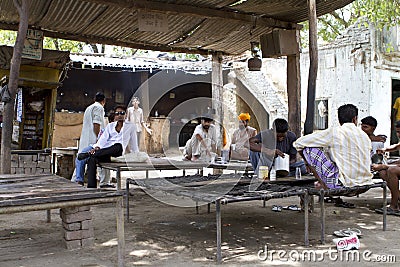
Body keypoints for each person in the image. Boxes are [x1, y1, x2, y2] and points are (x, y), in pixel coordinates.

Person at [294, 104, 373, 190]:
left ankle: (323, 184)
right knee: (333, 152)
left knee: (308, 149)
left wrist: (307, 162)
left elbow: (298, 143)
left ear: (339, 120)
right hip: (365, 182)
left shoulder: (335, 132)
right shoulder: (364, 136)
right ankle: (323, 183)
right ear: (355, 119)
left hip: (343, 183)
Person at [78, 105, 139, 188]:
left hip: (118, 151)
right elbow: (103, 139)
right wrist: (97, 147)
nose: (119, 115)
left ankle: (89, 154)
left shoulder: (131, 126)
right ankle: (91, 187)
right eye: (117, 114)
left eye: (122, 113)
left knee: (118, 145)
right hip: (105, 152)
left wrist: (136, 155)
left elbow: (134, 144)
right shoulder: (110, 126)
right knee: (92, 160)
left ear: (126, 114)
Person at [74, 92, 106, 186]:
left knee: (81, 159)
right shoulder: (99, 107)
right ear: (104, 101)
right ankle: (104, 182)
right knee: (97, 161)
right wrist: (99, 138)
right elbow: (96, 124)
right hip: (93, 139)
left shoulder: (89, 108)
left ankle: (77, 180)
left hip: (86, 139)